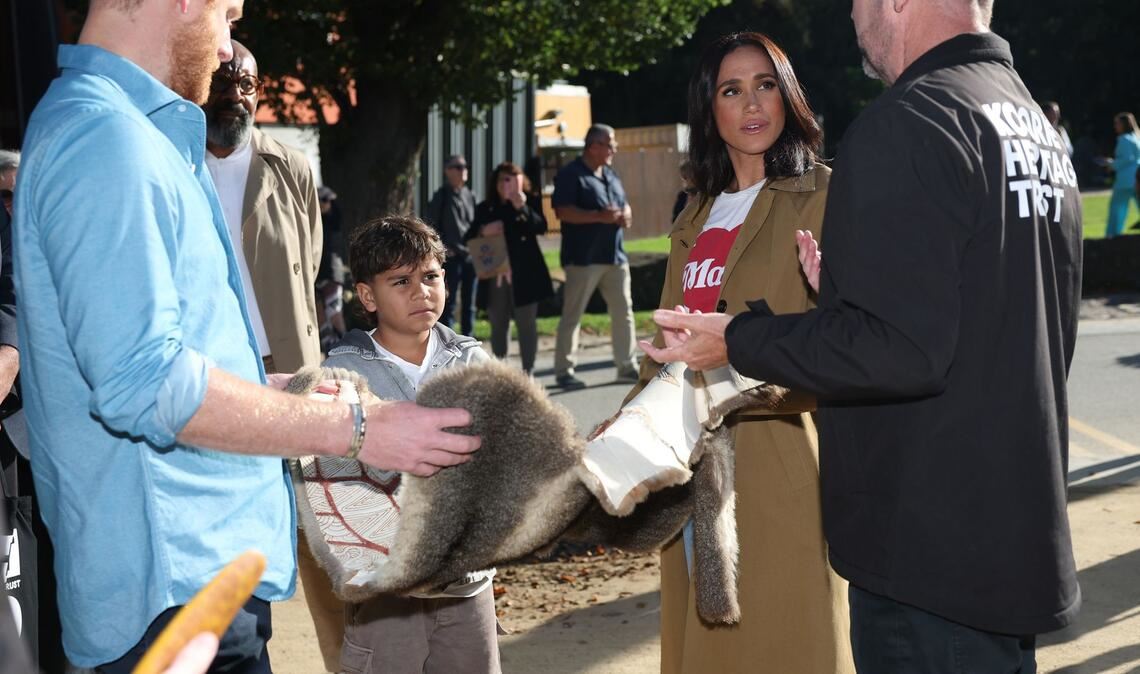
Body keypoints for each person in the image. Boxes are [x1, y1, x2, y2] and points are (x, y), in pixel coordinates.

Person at [11, 0, 479, 670]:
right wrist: (357, 431)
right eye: (226, 15)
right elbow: (144, 383)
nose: (229, 46)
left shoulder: (128, 131)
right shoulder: (105, 138)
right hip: (172, 593)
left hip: (195, 582)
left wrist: (277, 388)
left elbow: (152, 355)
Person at [643, 1, 1082, 672]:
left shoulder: (904, 127)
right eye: (732, 89)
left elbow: (894, 347)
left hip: (911, 533)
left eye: (766, 84)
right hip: (983, 532)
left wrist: (744, 339)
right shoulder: (1026, 123)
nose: (851, 16)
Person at [624, 33, 852, 674]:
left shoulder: (825, 195)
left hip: (780, 461)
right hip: (690, 470)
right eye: (732, 89)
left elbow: (846, 341)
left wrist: (828, 288)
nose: (752, 103)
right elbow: (664, 347)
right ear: (710, 108)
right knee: (708, 654)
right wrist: (630, 428)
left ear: (788, 96)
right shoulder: (694, 214)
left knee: (789, 644)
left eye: (766, 84)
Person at [322, 215, 501, 674]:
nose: (421, 291)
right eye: (401, 281)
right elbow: (327, 477)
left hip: (466, 584)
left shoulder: (473, 360)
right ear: (367, 296)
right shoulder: (341, 374)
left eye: (431, 277)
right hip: (385, 593)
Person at [202, 39, 322, 376]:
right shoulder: (174, 165)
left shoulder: (290, 167)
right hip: (209, 371)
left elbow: (308, 264)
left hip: (284, 367)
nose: (234, 95)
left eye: (246, 84)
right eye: (220, 82)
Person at [552, 124, 638, 389]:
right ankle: (564, 371)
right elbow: (562, 212)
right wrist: (597, 217)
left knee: (624, 312)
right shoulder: (571, 174)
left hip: (615, 256)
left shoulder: (611, 174)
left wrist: (626, 215)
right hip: (583, 259)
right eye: (610, 144)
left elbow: (625, 205)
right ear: (593, 146)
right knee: (573, 315)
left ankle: (627, 367)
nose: (614, 149)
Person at [469, 162, 554, 374]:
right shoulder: (486, 208)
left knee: (527, 326)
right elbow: (468, 237)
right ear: (495, 183)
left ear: (520, 181)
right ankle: (501, 373)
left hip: (524, 275)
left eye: (510, 179)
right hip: (496, 276)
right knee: (498, 325)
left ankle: (528, 372)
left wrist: (522, 207)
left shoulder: (529, 201)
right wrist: (483, 230)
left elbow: (541, 227)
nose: (505, 184)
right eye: (501, 179)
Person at [425, 154, 478, 336]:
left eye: (465, 166)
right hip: (452, 258)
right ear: (447, 171)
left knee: (469, 304)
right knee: (448, 303)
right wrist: (445, 251)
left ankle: (468, 342)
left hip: (470, 257)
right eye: (458, 167)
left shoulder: (470, 195)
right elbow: (430, 227)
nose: (463, 170)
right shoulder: (442, 196)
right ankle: (447, 343)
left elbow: (475, 226)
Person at [317, 185, 348, 352]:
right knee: (320, 314)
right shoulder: (313, 222)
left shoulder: (335, 220)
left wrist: (330, 199)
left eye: (326, 200)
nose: (322, 204)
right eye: (320, 200)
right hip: (316, 275)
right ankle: (330, 348)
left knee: (335, 313)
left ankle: (345, 347)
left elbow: (337, 216)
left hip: (332, 275)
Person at [1107, 112, 1140, 237]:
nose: (1115, 126)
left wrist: (1111, 164)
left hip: (1125, 181)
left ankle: (1112, 236)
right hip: (1137, 178)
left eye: (1117, 123)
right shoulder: (1136, 137)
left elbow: (1126, 159)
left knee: (1117, 210)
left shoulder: (1124, 139)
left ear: (1124, 124)